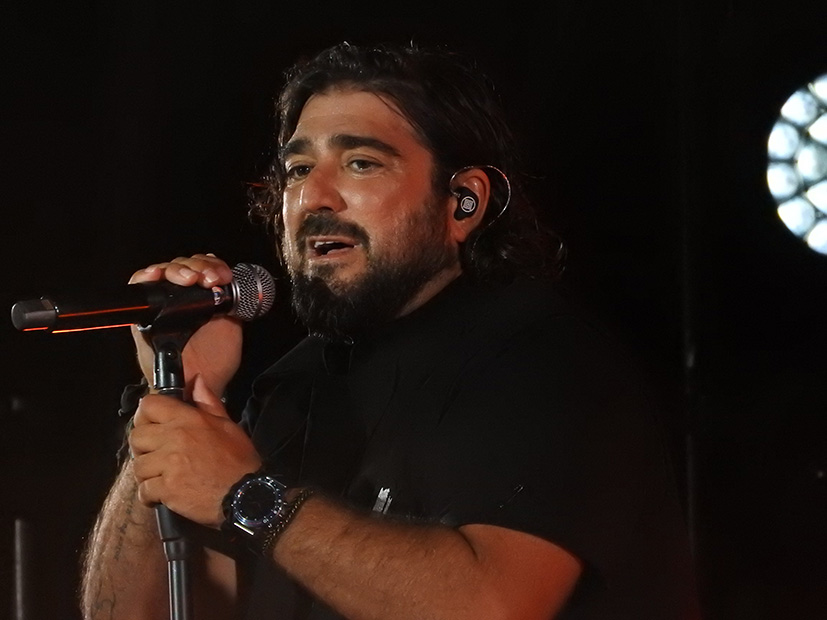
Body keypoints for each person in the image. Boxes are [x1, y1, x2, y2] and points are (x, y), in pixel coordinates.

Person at [81, 42, 700, 619]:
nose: (314, 197)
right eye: (297, 169)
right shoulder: (292, 388)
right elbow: (125, 613)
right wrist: (174, 397)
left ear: (462, 202)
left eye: (360, 163)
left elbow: (491, 604)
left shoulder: (546, 364)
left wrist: (245, 494)